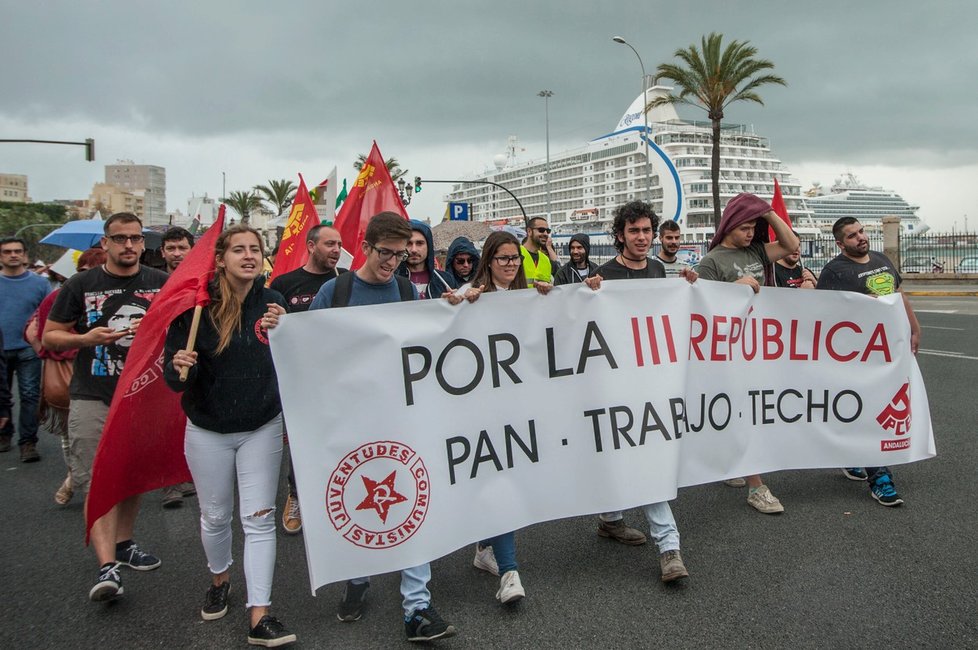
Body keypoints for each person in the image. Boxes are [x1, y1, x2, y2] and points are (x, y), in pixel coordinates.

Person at [309, 212, 456, 643]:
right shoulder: (335, 291)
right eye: (386, 253)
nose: (395, 261)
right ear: (367, 246)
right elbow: (309, 350)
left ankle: (417, 606)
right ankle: (357, 577)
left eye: (403, 252)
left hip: (402, 416)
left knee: (413, 501)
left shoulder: (409, 289)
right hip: (350, 418)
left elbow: (430, 342)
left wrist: (455, 312)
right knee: (360, 499)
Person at [165, 224, 296, 647]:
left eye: (255, 249)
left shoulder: (274, 303)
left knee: (258, 520)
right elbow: (175, 381)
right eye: (238, 249)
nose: (248, 256)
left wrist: (289, 331)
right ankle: (219, 578)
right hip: (208, 429)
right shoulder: (195, 308)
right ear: (220, 259)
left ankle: (260, 613)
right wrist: (181, 364)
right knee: (216, 517)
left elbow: (297, 362)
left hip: (261, 425)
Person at [43, 212, 169, 601]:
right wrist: (86, 339)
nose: (129, 246)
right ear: (105, 243)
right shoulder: (82, 283)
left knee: (130, 476)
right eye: (120, 239)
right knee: (97, 478)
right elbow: (51, 335)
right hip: (91, 394)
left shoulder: (160, 283)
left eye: (135, 239)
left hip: (140, 396)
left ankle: (124, 544)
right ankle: (106, 566)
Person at [444, 230, 555, 604]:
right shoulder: (469, 297)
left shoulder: (531, 296)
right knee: (501, 484)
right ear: (487, 261)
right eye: (503, 258)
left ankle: (484, 548)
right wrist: (460, 301)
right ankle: (509, 572)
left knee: (507, 481)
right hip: (479, 412)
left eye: (515, 258)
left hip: (518, 407)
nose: (510, 264)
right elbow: (441, 323)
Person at [587, 201, 694, 583]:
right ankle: (613, 519)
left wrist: (689, 288)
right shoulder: (603, 274)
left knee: (646, 456)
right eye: (634, 231)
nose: (642, 238)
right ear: (620, 234)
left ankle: (668, 547)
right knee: (618, 451)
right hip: (615, 383)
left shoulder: (656, 269)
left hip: (651, 382)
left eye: (647, 230)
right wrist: (588, 294)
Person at [696, 193, 800, 514]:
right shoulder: (712, 261)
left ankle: (731, 461)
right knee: (745, 412)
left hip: (759, 344)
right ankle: (757, 487)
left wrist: (766, 213)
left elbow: (790, 244)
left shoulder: (756, 249)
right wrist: (732, 288)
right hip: (729, 348)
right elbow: (699, 305)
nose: (751, 233)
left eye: (754, 227)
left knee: (747, 410)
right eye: (745, 227)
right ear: (729, 226)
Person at [816, 217, 921, 507]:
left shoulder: (881, 259)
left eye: (861, 232)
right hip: (857, 355)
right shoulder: (834, 272)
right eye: (852, 236)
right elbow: (821, 315)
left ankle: (852, 454)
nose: (861, 238)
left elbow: (900, 296)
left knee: (876, 408)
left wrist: (914, 328)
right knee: (871, 411)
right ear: (840, 243)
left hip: (890, 350)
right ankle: (880, 478)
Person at [269, 224, 347, 534]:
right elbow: (273, 329)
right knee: (303, 441)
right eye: (330, 244)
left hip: (340, 377)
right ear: (311, 246)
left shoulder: (346, 281)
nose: (336, 250)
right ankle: (296, 494)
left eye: (339, 244)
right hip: (300, 376)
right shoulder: (284, 283)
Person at [24, 247, 106, 505]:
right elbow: (35, 330)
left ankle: (81, 479)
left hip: (104, 371)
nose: (89, 276)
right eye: (84, 271)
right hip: (71, 374)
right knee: (72, 434)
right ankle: (79, 479)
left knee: (98, 434)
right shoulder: (61, 295)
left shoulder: (110, 296)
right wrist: (53, 351)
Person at [156, 227, 198, 508]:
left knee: (186, 420)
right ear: (162, 252)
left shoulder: (202, 283)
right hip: (161, 361)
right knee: (163, 424)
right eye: (171, 248)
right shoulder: (156, 284)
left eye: (182, 247)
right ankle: (168, 483)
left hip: (193, 362)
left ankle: (189, 473)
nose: (177, 253)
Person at [0, 236, 52, 461]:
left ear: (25, 255)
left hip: (28, 348)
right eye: (8, 251)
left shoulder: (40, 283)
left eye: (17, 251)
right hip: (1, 348)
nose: (13, 255)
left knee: (30, 394)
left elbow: (48, 315)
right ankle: (4, 433)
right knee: (3, 395)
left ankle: (28, 442)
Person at [395, 220, 454, 299]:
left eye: (419, 243)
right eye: (408, 243)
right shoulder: (391, 279)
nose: (414, 250)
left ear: (428, 246)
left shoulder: (445, 280)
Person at [520, 216, 560, 288]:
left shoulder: (546, 260)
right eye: (541, 230)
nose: (545, 234)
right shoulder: (516, 254)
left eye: (547, 231)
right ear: (529, 231)